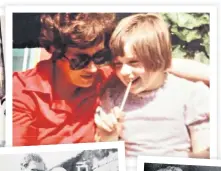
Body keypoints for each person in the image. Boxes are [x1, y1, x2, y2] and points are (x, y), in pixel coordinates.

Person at [13, 13, 209, 146]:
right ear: (54, 53)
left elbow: (154, 66)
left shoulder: (105, 76)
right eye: (79, 61)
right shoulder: (23, 91)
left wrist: (158, 62)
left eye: (99, 57)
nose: (92, 68)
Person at [94, 13, 209, 170]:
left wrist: (167, 163)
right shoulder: (113, 96)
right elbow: (107, 161)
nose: (124, 72)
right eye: (118, 64)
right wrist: (110, 137)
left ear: (158, 58)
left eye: (133, 62)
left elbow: (206, 156)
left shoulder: (190, 94)